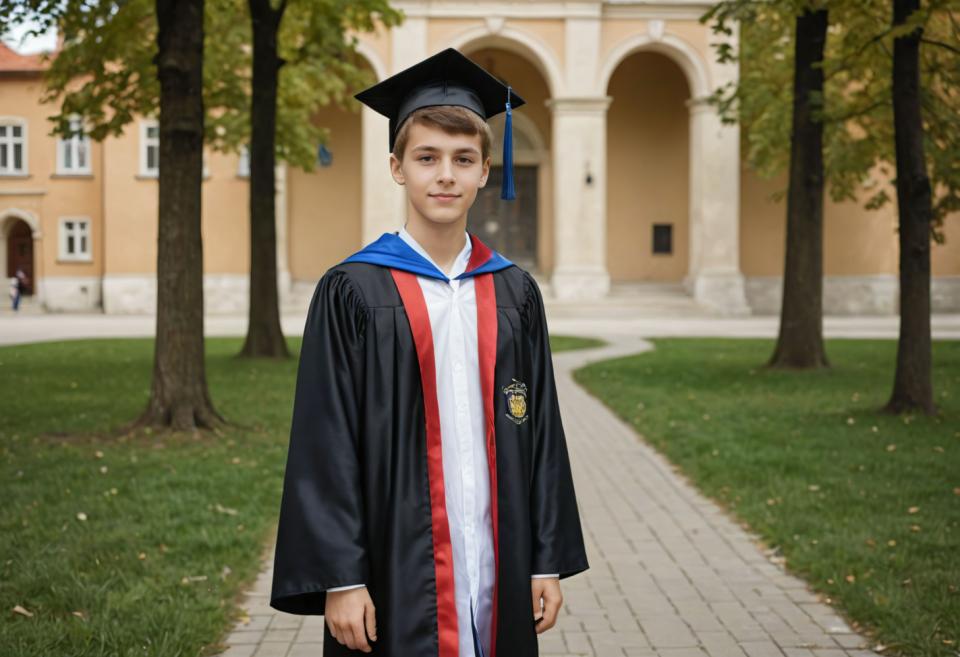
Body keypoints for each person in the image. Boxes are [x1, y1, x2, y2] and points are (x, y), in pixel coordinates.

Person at [270, 47, 588, 657]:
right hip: (394, 564)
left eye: (463, 159)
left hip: (497, 559)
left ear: (485, 172)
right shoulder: (355, 289)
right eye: (427, 158)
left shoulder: (513, 291)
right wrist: (343, 576)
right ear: (397, 168)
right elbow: (325, 439)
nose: (446, 175)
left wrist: (544, 559)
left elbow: (542, 429)